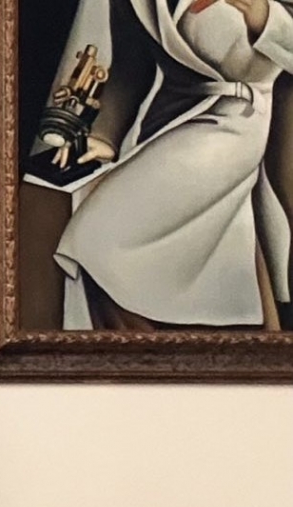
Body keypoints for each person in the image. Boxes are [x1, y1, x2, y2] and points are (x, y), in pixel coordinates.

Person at [48, 0, 293, 330]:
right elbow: (129, 65)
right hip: (164, 123)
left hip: (238, 123)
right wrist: (105, 135)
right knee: (91, 222)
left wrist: (265, 18)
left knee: (95, 236)